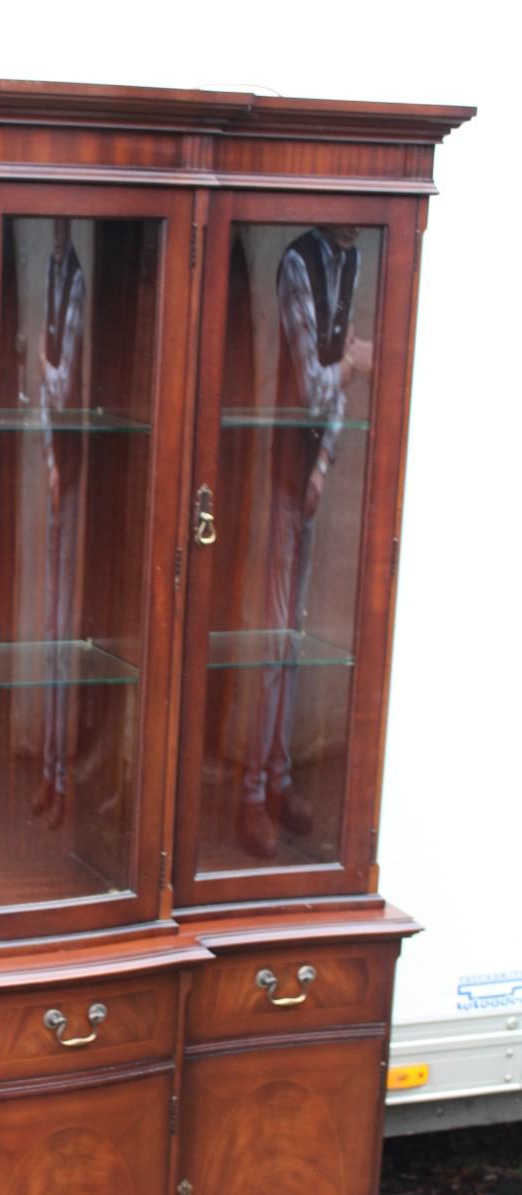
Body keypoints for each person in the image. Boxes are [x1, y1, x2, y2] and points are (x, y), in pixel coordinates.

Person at [239, 225, 372, 860]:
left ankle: (281, 780)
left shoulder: (354, 256)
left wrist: (324, 465)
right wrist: (352, 363)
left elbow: (333, 389)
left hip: (310, 471)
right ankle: (250, 795)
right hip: (277, 471)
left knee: (296, 637)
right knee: (272, 640)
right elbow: (319, 383)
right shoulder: (297, 261)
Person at [32, 220, 87, 831]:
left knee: (64, 637)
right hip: (57, 463)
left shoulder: (74, 278)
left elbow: (62, 379)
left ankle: (64, 778)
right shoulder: (55, 271)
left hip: (78, 474)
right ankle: (52, 773)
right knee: (50, 637)